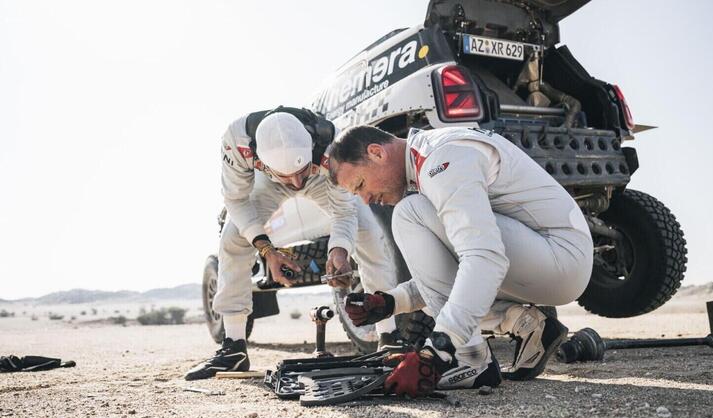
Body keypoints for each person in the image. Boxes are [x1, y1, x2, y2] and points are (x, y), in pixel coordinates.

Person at [329, 126, 594, 397]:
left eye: (360, 185)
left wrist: (438, 350)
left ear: (376, 153)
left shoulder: (440, 160)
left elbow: (484, 257)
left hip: (561, 256)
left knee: (410, 213)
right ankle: (524, 323)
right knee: (419, 215)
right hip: (554, 259)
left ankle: (470, 358)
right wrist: (391, 302)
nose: (366, 199)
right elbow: (448, 278)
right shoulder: (430, 157)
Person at [185, 109, 398, 381]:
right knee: (233, 237)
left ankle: (389, 335)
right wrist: (267, 251)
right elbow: (236, 202)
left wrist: (339, 249)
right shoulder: (236, 142)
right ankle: (233, 348)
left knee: (367, 228)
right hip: (269, 182)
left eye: (300, 172)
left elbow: (344, 212)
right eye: (290, 177)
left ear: (311, 147)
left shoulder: (330, 143)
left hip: (321, 177)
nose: (297, 184)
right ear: (259, 159)